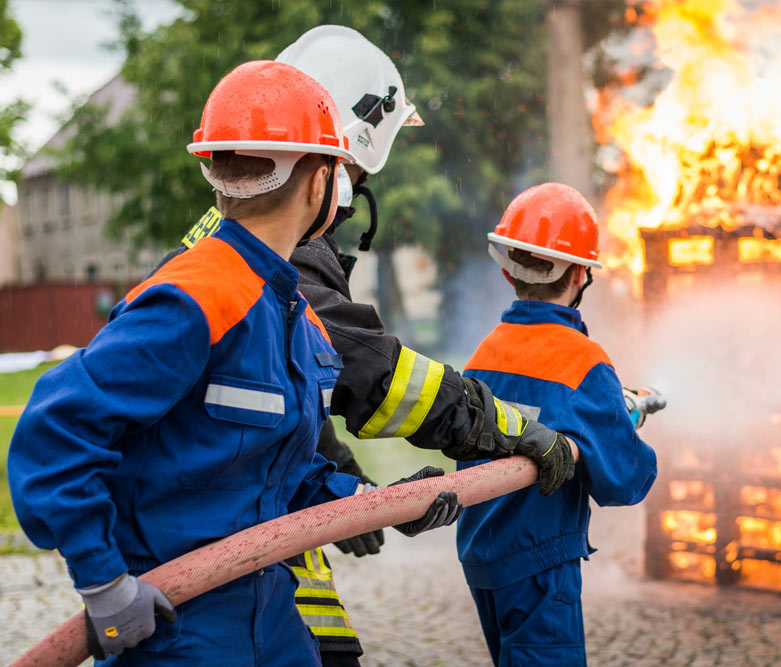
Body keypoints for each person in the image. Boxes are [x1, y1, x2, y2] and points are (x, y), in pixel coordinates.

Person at [7, 60, 459, 665]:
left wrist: (378, 503)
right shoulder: (193, 299)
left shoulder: (294, 313)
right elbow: (54, 433)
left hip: (270, 610)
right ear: (318, 180)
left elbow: (278, 471)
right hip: (178, 627)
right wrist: (104, 584)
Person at [153, 26, 578, 666]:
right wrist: (505, 427)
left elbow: (272, 399)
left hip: (239, 539)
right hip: (221, 567)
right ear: (336, 161)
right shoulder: (274, 256)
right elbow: (376, 374)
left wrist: (350, 495)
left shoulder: (226, 238)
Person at [456, 183, 660, 666]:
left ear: (509, 271)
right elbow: (625, 482)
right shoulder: (585, 362)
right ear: (580, 273)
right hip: (539, 558)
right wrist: (621, 427)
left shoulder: (485, 353)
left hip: (483, 554)